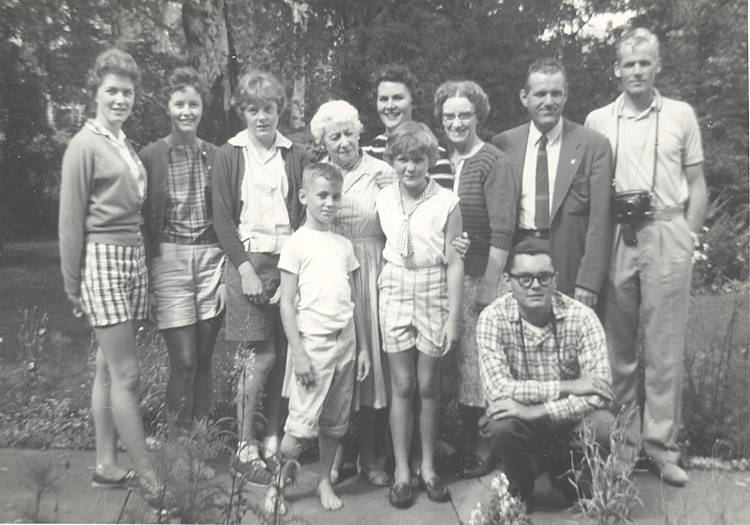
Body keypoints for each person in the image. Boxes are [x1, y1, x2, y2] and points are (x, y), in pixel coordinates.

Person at [585, 28, 707, 486]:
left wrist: (688, 236)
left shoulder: (681, 115)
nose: (636, 71)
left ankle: (661, 448)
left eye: (645, 63)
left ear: (658, 66)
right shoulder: (598, 119)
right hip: (619, 232)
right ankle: (622, 445)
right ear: (616, 69)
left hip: (666, 229)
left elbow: (697, 183)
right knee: (617, 349)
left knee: (663, 348)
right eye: (628, 64)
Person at [58, 48, 161, 504]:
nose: (121, 99)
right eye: (112, 90)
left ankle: (106, 463)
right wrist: (70, 282)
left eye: (127, 92)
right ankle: (150, 476)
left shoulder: (123, 143)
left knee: (105, 369)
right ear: (95, 93)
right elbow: (69, 220)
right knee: (128, 374)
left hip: (130, 259)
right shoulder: (84, 144)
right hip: (99, 261)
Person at [212, 70, 312, 484]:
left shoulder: (296, 154)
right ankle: (243, 445)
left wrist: (296, 266)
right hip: (248, 262)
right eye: (252, 110)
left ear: (279, 110)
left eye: (268, 109)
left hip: (288, 260)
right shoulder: (229, 154)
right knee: (258, 358)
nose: (261, 118)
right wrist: (245, 270)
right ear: (243, 112)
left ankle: (272, 440)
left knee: (285, 356)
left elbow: (304, 212)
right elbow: (221, 218)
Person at [476, 239, 614, 511]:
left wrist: (537, 411)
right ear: (508, 281)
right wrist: (570, 386)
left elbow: (601, 393)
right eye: (525, 278)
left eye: (543, 277)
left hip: (566, 422)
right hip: (521, 423)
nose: (535, 285)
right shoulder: (492, 318)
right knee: (498, 422)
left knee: (602, 424)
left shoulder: (583, 317)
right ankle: (520, 489)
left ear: (555, 280)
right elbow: (498, 391)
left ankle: (577, 485)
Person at [433, 80, 519, 477]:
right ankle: (464, 441)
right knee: (457, 367)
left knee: (478, 367)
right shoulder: (441, 160)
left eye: (464, 114)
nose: (456, 122)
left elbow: (503, 230)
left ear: (477, 115)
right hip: (448, 279)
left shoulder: (492, 161)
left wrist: (487, 287)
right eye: (449, 115)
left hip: (481, 281)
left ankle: (483, 447)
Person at [377, 121, 464, 509]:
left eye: (417, 160)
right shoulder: (382, 196)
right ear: (391, 161)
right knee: (403, 385)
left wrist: (452, 318)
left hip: (432, 287)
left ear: (430, 161)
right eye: (401, 160)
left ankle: (427, 466)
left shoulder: (446, 201)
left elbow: (455, 260)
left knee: (428, 386)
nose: (409, 167)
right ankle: (401, 470)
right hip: (395, 285)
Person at [308, 100, 394, 486]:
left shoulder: (382, 172)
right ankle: (337, 453)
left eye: (348, 133)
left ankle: (372, 454)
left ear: (360, 131)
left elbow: (404, 218)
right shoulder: (319, 176)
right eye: (333, 136)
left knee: (372, 363)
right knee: (339, 361)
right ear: (322, 141)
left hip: (372, 269)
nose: (343, 142)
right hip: (332, 272)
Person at [277, 162, 369, 511]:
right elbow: (286, 304)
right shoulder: (296, 244)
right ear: (303, 197)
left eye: (335, 196)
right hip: (312, 343)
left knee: (334, 422)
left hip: (345, 340)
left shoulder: (344, 244)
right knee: (300, 427)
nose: (329, 203)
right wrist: (298, 353)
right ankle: (278, 487)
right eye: (321, 196)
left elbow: (354, 298)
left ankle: (323, 481)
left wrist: (361, 349)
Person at [140, 67, 223, 434]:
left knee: (204, 358)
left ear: (202, 107)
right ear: (168, 107)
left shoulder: (216, 155)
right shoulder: (152, 156)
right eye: (179, 104)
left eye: (194, 104)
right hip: (170, 259)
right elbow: (142, 219)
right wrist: (147, 275)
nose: (187, 111)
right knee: (184, 360)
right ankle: (178, 443)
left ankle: (200, 442)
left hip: (210, 259)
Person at [493, 58, 613, 309]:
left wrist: (589, 281)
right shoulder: (504, 143)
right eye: (540, 94)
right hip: (520, 259)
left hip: (569, 261)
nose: (549, 101)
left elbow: (600, 221)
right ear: (524, 97)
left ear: (566, 95)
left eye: (556, 93)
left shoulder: (593, 145)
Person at [364, 64, 453, 188]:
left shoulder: (433, 151)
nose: (389, 106)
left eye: (398, 98)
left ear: (413, 102)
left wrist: (404, 184)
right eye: (384, 99)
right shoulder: (367, 152)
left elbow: (445, 204)